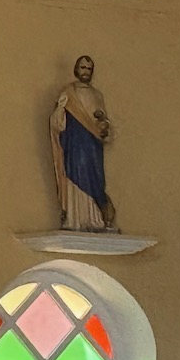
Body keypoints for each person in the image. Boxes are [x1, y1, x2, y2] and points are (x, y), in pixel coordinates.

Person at [50, 55, 116, 232]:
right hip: (74, 145)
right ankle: (75, 218)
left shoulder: (97, 95)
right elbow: (57, 124)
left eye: (88, 68)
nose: (85, 71)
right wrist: (60, 109)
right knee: (76, 174)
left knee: (94, 178)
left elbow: (102, 122)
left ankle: (95, 218)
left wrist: (104, 127)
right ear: (76, 70)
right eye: (82, 68)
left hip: (92, 148)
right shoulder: (68, 92)